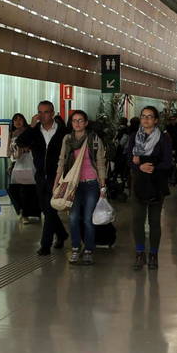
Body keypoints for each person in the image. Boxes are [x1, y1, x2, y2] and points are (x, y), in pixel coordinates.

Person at [14, 100, 68, 255]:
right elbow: (20, 142)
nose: (42, 116)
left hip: (57, 176)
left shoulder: (63, 131)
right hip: (40, 176)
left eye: (46, 112)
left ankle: (45, 245)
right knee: (46, 209)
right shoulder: (35, 130)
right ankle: (62, 234)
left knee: (51, 210)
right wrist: (31, 126)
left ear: (52, 113)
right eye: (40, 112)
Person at [122, 106, 173, 270]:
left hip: (157, 183)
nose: (146, 119)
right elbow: (129, 160)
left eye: (150, 117)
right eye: (143, 116)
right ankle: (139, 253)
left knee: (154, 220)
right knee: (137, 219)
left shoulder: (164, 139)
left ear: (156, 120)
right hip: (138, 182)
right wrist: (139, 167)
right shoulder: (133, 137)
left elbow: (167, 162)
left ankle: (153, 254)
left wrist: (150, 166)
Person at [58, 110, 108, 265]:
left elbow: (100, 161)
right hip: (73, 185)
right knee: (73, 218)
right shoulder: (67, 139)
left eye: (80, 120)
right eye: (74, 121)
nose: (77, 123)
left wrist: (102, 183)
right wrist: (56, 181)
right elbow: (62, 160)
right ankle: (75, 247)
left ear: (86, 123)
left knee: (87, 219)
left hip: (91, 183)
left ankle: (88, 249)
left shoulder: (93, 139)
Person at [6, 113, 39, 224]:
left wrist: (26, 148)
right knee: (13, 189)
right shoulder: (11, 134)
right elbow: (8, 151)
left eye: (20, 119)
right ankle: (22, 210)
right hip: (16, 163)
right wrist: (11, 161)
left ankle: (26, 214)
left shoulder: (29, 131)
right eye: (15, 120)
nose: (18, 122)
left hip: (30, 163)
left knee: (28, 190)